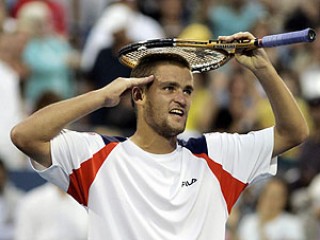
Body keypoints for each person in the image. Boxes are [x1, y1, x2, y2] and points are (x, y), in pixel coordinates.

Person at [10, 31, 309, 239]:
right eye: (169, 88)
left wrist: (263, 69)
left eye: (188, 90)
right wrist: (100, 96)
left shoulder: (217, 154)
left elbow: (294, 131)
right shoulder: (95, 155)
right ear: (138, 95)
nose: (182, 98)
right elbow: (25, 135)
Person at [237, 177, 305, 240]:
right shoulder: (248, 221)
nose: (270, 200)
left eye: (275, 196)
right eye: (267, 194)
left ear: (284, 200)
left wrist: (262, 229)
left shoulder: (292, 224)